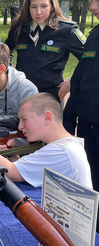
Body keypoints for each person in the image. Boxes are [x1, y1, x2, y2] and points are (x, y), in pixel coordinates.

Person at [0, 93, 93, 189]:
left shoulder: (61, 151)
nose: (20, 127)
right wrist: (14, 157)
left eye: (24, 119)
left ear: (47, 118)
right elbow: (17, 169)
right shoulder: (66, 145)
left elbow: (11, 172)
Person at [4, 0, 86, 102]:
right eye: (34, 7)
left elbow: (90, 58)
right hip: (20, 92)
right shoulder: (19, 27)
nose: (38, 12)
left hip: (49, 95)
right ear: (28, 7)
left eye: (43, 6)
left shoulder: (66, 30)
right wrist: (8, 73)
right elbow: (4, 52)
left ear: (52, 6)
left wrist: (73, 81)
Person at [63, 0, 99, 231]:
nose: (94, 6)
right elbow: (78, 79)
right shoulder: (94, 35)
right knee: (92, 181)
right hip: (87, 125)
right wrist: (68, 118)